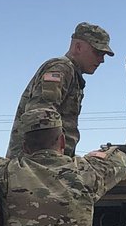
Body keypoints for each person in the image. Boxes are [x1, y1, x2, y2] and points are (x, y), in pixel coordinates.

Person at [6, 23, 114, 159]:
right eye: (97, 53)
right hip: (37, 165)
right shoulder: (62, 68)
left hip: (42, 163)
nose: (101, 60)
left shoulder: (72, 73)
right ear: (78, 47)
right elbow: (41, 117)